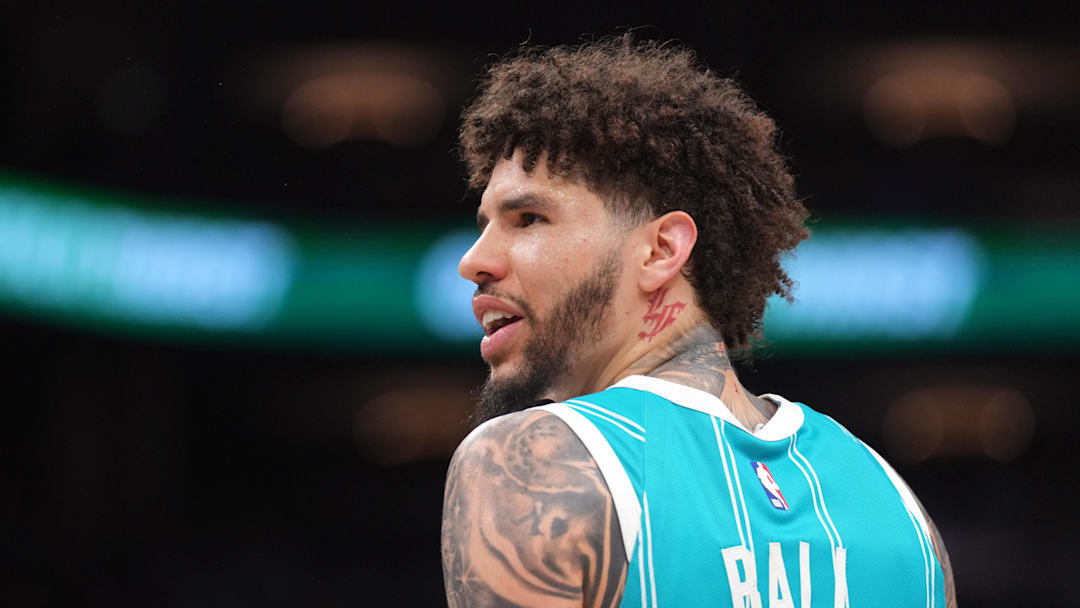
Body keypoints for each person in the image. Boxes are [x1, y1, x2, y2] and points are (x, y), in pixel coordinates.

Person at [441, 36, 955, 608]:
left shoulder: (536, 463)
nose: (473, 261)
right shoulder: (895, 502)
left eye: (528, 218)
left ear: (661, 250)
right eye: (485, 226)